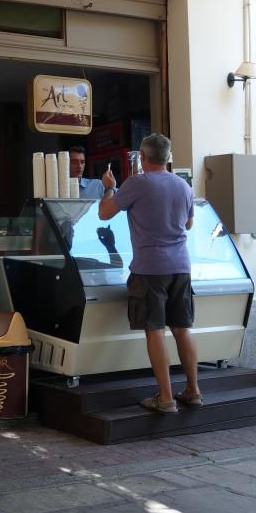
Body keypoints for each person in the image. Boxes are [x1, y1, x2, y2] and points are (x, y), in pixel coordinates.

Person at [97, 133, 200, 413]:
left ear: (142, 157)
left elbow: (104, 213)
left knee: (155, 330)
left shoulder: (137, 183)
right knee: (182, 329)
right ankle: (193, 391)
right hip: (181, 266)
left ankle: (165, 398)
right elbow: (189, 224)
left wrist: (109, 188)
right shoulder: (183, 186)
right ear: (168, 157)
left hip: (150, 268)